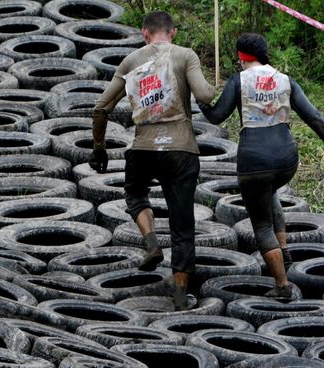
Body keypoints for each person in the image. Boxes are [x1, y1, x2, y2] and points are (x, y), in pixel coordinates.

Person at [198, 33, 324, 300]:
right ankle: (284, 249)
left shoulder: (238, 81)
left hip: (255, 163)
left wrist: (201, 103)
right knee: (271, 192)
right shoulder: (285, 79)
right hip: (287, 161)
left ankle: (282, 285)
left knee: (261, 225)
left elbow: (217, 116)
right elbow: (314, 116)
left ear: (241, 57)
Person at [88, 11, 216, 310]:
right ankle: (182, 295)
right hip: (182, 150)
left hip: (143, 147)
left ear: (144, 33)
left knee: (135, 194)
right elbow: (204, 93)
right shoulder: (185, 55)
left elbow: (100, 107)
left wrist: (99, 148)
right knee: (182, 221)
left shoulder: (131, 61)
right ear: (173, 33)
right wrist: (213, 89)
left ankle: (151, 242)